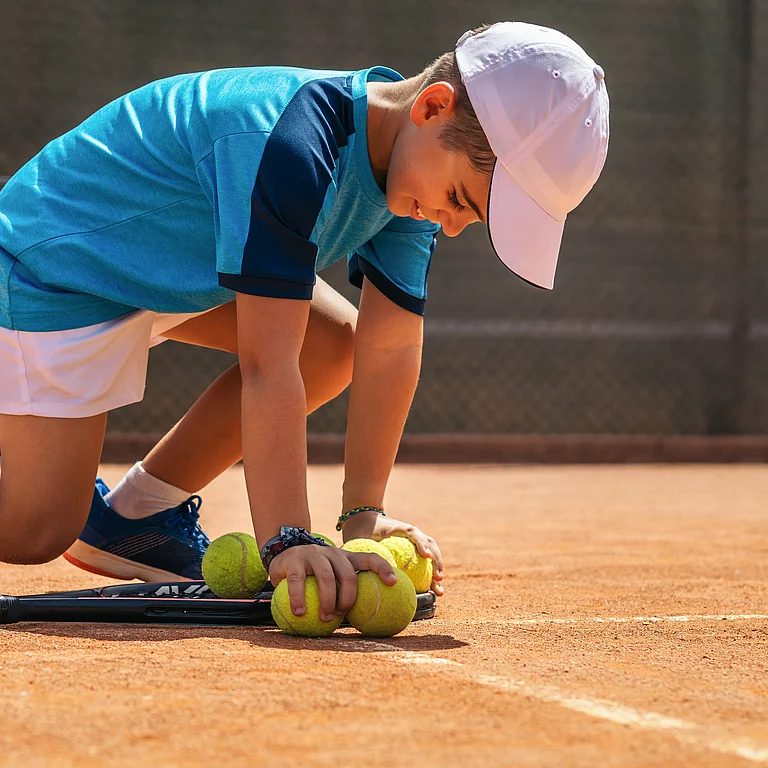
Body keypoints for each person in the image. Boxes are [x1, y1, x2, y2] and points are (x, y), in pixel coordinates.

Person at [0, 22, 609, 622]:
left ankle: (136, 519)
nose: (451, 225)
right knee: (35, 532)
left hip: (160, 270)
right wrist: (288, 539)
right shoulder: (290, 145)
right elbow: (270, 365)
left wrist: (363, 515)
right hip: (50, 269)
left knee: (334, 344)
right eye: (459, 200)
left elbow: (391, 343)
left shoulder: (407, 171)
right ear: (432, 107)